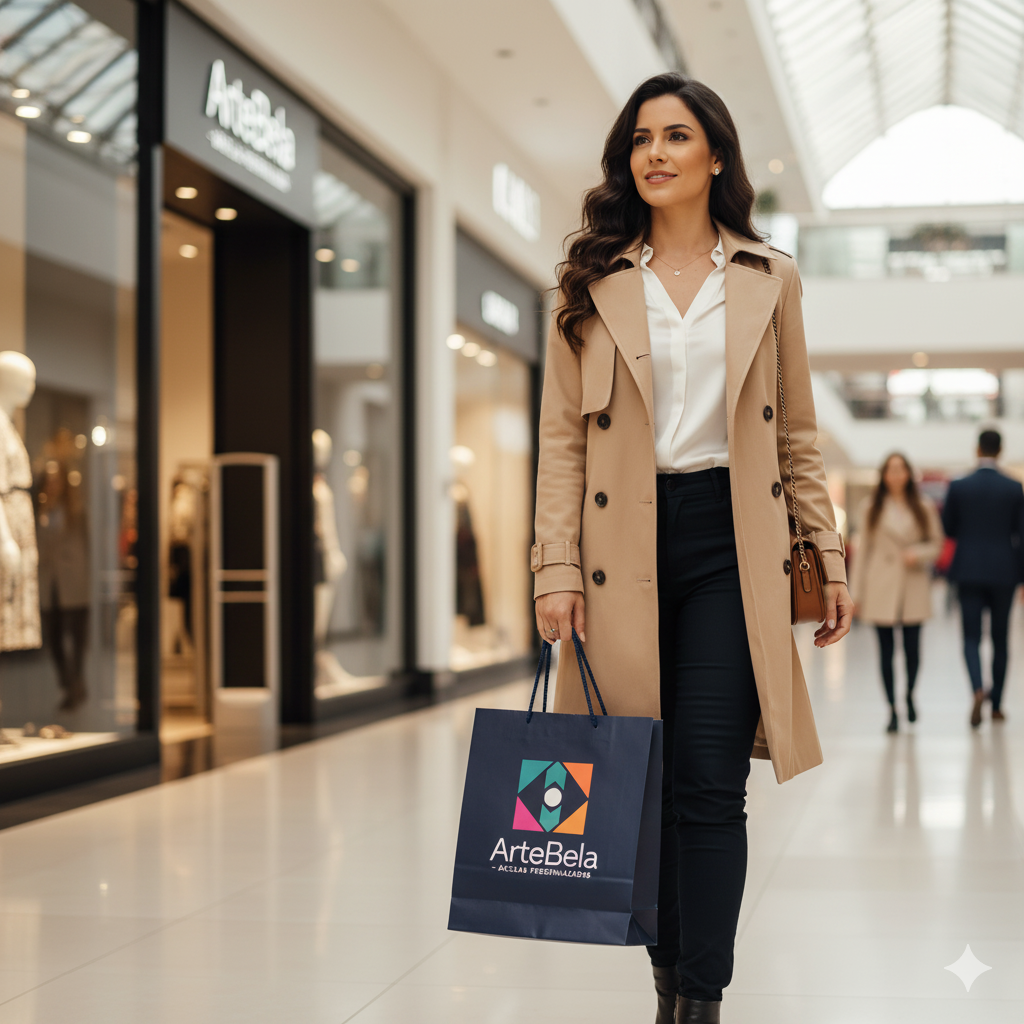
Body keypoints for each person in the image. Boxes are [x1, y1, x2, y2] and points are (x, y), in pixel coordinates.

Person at [531, 73, 851, 1024]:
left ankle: (699, 998)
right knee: (644, 776)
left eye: (677, 136)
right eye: (640, 139)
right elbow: (562, 439)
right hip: (613, 546)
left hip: (732, 545)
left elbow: (796, 433)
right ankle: (667, 982)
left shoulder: (767, 277)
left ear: (716, 154)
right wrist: (553, 568)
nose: (656, 154)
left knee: (710, 780)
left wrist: (825, 557)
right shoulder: (593, 279)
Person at [850, 453, 943, 732]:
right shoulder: (871, 507)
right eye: (891, 470)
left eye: (901, 469)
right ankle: (891, 709)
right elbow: (862, 551)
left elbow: (937, 544)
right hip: (881, 584)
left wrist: (919, 553)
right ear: (883, 475)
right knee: (886, 652)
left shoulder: (923, 507)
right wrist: (856, 594)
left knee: (913, 650)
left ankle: (910, 695)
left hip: (913, 584)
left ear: (908, 474)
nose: (896, 474)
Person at [942, 429, 1024, 727]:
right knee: (1001, 640)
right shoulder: (1014, 488)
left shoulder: (960, 485)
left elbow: (948, 528)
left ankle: (977, 689)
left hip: (969, 570)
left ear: (977, 450)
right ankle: (998, 705)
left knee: (971, 637)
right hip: (1005, 572)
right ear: (1000, 451)